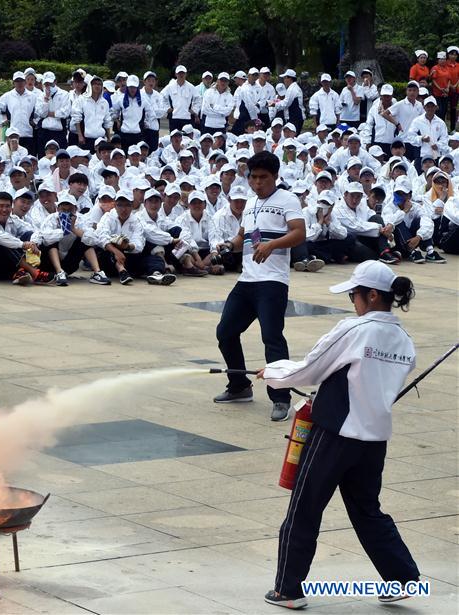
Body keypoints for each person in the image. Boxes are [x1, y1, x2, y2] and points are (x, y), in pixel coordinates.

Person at [259, 261, 420, 609]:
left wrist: (272, 371)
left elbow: (308, 369)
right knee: (367, 510)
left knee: (304, 508)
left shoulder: (356, 329)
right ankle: (403, 578)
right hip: (374, 439)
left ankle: (288, 589)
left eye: (354, 294)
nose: (352, 301)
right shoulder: (404, 341)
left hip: (335, 435)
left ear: (372, 295)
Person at [214, 151, 306, 421]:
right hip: (247, 281)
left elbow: (299, 233)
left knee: (272, 338)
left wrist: (272, 245)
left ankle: (281, 398)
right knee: (225, 332)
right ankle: (240, 386)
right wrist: (230, 245)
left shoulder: (287, 199)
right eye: (253, 178)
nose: (257, 183)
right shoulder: (252, 204)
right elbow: (244, 235)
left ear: (275, 176)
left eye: (263, 178)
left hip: (272, 282)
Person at [0, 191, 52, 285]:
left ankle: (19, 274)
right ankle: (34, 273)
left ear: (11, 207)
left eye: (7, 206)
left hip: (6, 266)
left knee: (28, 235)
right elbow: (0, 237)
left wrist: (33, 243)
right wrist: (23, 244)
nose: (4, 209)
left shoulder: (13, 220)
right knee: (3, 242)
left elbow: (34, 231)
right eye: (1, 206)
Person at [38, 191, 105, 285]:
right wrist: (64, 230)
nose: (66, 213)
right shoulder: (51, 219)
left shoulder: (81, 219)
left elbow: (94, 240)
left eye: (69, 210)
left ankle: (98, 273)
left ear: (75, 209)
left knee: (85, 239)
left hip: (70, 264)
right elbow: (45, 238)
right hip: (50, 263)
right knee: (51, 241)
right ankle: (59, 272)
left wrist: (74, 229)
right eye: (63, 210)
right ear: (58, 209)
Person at [161, 65, 201, 132]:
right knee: (174, 138)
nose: (181, 75)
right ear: (176, 74)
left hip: (187, 117)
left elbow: (198, 99)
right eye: (179, 73)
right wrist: (167, 108)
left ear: (186, 74)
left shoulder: (191, 87)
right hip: (174, 117)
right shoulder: (170, 86)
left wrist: (194, 110)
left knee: (186, 139)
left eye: (183, 73)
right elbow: (161, 96)